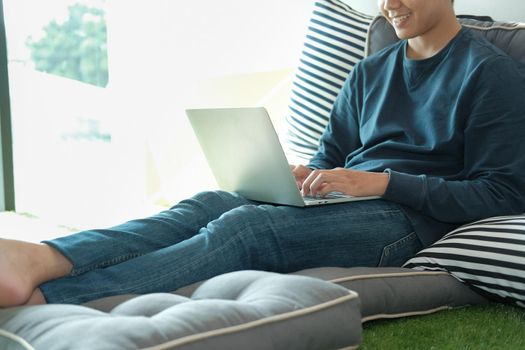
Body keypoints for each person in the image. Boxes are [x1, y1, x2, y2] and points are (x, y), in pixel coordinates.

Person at [1, 0, 525, 307]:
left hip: (409, 220)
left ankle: (53, 299)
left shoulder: (489, 73)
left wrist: (383, 182)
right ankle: (41, 256)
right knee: (209, 203)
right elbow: (329, 155)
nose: (390, 3)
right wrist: (300, 176)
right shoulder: (372, 69)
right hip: (347, 203)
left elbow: (502, 192)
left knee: (247, 228)